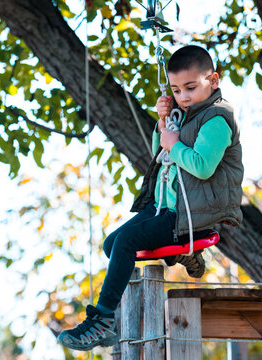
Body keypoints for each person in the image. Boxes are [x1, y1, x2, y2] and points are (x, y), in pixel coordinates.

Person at [58, 45, 244, 351]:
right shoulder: (184, 115)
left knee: (126, 243)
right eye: (176, 90)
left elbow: (202, 165)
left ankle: (104, 320)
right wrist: (162, 125)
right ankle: (180, 254)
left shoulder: (217, 119)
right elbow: (160, 154)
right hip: (166, 208)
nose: (183, 96)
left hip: (190, 212)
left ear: (213, 80)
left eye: (190, 88)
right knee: (111, 245)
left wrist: (173, 144)